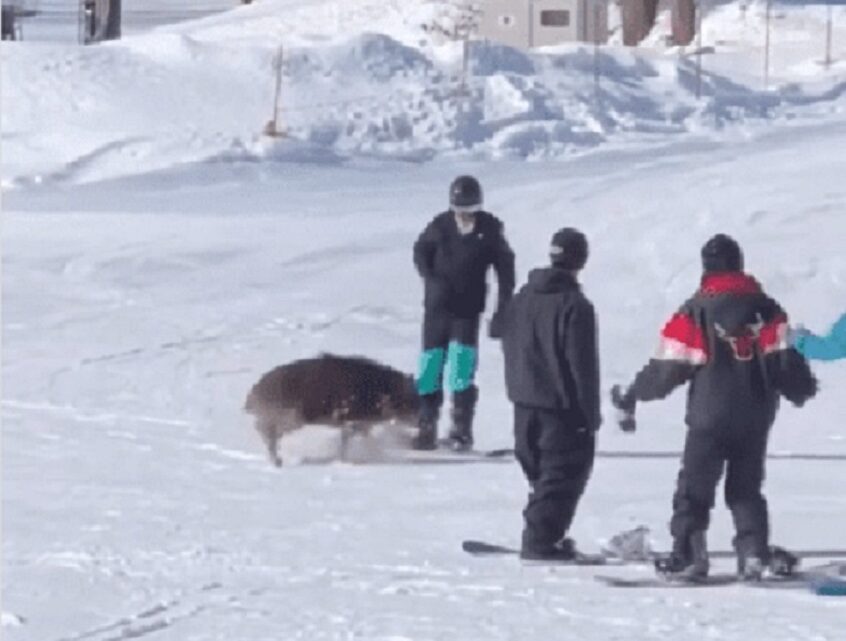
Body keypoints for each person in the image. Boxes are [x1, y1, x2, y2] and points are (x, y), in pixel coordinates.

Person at [610, 234, 817, 581]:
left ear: (706, 267)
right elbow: (784, 360)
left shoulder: (696, 309)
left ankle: (690, 554)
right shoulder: (766, 309)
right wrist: (802, 388)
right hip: (755, 415)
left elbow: (668, 368)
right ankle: (753, 553)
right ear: (739, 263)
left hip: (709, 416)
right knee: (746, 488)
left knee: (694, 487)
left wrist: (635, 393)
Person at [499, 228, 600, 561]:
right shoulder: (575, 305)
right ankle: (540, 539)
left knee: (544, 476)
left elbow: (505, 338)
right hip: (559, 406)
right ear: (581, 259)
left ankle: (542, 531)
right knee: (562, 474)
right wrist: (590, 414)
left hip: (523, 402)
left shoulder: (523, 296)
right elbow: (582, 364)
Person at [412, 175, 515, 451]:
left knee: (461, 370)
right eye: (460, 211)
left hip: (467, 312)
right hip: (437, 309)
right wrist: (430, 277)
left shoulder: (490, 230)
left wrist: (502, 310)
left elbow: (506, 270)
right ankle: (425, 425)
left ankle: (461, 430)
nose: (465, 218)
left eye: (470, 212)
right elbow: (420, 250)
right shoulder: (440, 226)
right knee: (429, 368)